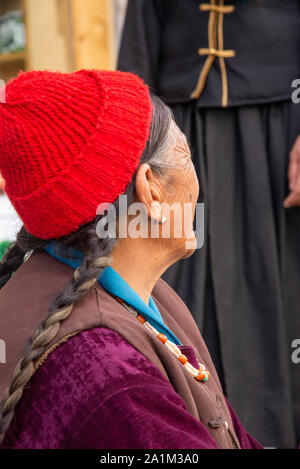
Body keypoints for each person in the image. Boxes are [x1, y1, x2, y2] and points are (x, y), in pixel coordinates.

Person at [0, 69, 264, 449]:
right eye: (187, 156)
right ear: (151, 192)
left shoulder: (143, 295)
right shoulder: (110, 378)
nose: (196, 177)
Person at [117, 0, 300, 447]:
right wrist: (132, 132)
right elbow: (141, 33)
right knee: (176, 296)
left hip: (283, 128)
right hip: (179, 131)